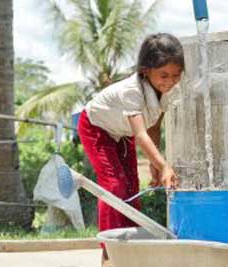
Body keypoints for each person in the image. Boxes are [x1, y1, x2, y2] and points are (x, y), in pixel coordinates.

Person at [77, 33, 184, 266]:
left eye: (176, 75)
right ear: (146, 70)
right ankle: (109, 253)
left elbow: (153, 127)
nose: (170, 81)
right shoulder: (132, 91)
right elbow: (140, 134)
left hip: (121, 132)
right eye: (163, 75)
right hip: (96, 127)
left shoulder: (168, 91)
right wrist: (164, 165)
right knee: (114, 187)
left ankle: (127, 248)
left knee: (131, 188)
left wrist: (156, 168)